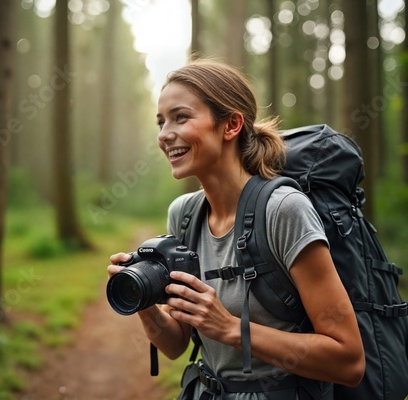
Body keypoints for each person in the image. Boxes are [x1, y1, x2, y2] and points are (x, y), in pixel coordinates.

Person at [108, 59, 365, 399]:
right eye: (161, 121)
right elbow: (175, 344)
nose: (164, 134)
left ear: (230, 125)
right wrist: (141, 298)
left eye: (180, 117)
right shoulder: (184, 215)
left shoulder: (284, 210)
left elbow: (348, 361)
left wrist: (230, 329)